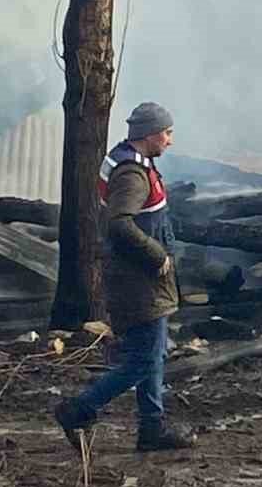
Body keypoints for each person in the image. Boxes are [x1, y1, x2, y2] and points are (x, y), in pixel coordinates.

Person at [54, 102, 193, 454]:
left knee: (152, 355)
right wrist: (157, 253)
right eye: (167, 132)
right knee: (144, 359)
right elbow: (119, 224)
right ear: (149, 134)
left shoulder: (132, 161)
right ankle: (79, 410)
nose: (170, 140)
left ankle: (151, 429)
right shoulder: (132, 174)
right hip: (139, 284)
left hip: (144, 282)